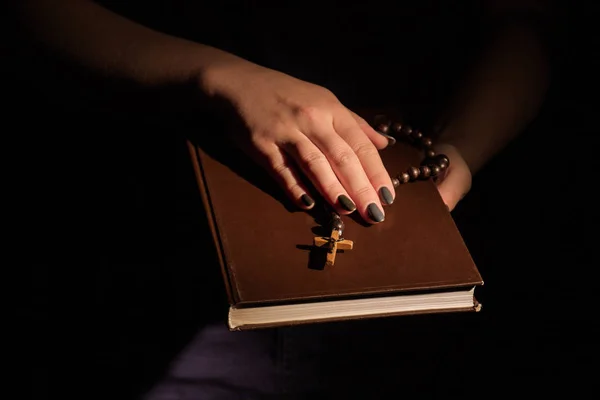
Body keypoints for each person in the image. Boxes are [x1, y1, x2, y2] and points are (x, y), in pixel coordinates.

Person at [10, 0, 559, 398]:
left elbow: (529, 27)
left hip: (402, 313)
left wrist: (458, 150)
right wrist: (218, 75)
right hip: (161, 262)